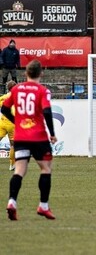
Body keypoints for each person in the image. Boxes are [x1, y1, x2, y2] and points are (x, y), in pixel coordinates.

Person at [1, 60, 57, 221]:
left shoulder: (16, 89)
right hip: (38, 136)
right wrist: (52, 133)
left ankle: (12, 202)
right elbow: (46, 111)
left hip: (21, 136)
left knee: (19, 170)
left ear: (25, 73)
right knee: (45, 169)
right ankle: (43, 206)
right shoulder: (42, 90)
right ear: (41, 73)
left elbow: (4, 108)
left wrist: (16, 121)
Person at [0, 80, 17, 171]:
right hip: (12, 124)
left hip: (2, 122)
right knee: (13, 145)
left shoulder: (3, 97)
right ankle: (12, 164)